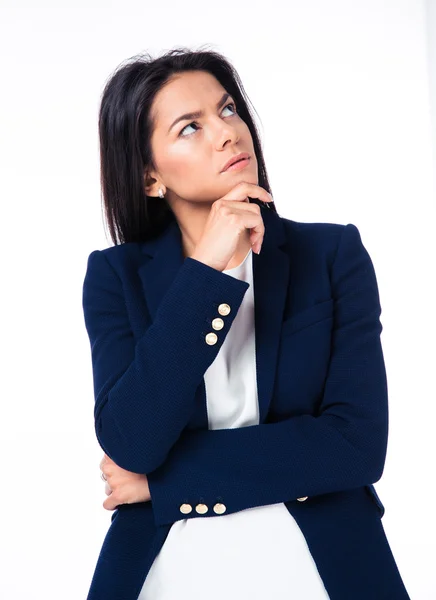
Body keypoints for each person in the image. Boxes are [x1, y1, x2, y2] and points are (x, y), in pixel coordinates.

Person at [82, 47, 411, 600]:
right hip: (165, 564)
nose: (227, 133)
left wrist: (166, 483)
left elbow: (354, 447)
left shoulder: (332, 253)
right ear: (149, 178)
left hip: (325, 559)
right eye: (190, 127)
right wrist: (207, 271)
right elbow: (130, 443)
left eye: (228, 109)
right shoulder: (115, 276)